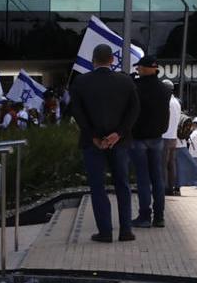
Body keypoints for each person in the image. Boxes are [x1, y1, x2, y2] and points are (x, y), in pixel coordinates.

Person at [69, 44, 140, 242]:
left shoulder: (81, 83)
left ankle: (105, 232)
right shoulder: (126, 82)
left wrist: (93, 136)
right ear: (112, 60)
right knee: (122, 185)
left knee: (98, 186)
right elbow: (134, 111)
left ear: (93, 60)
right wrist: (118, 133)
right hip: (120, 142)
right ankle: (126, 230)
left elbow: (78, 112)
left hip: (93, 143)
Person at [130, 56, 172, 228]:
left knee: (143, 179)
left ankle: (145, 216)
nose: (137, 70)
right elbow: (166, 115)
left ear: (147, 68)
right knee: (158, 179)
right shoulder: (164, 89)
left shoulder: (136, 88)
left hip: (139, 139)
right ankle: (159, 217)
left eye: (139, 67)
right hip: (157, 139)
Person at [163, 81, 183, 195]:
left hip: (165, 136)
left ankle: (165, 188)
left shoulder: (166, 102)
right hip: (173, 137)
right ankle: (171, 187)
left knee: (163, 165)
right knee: (171, 164)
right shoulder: (176, 102)